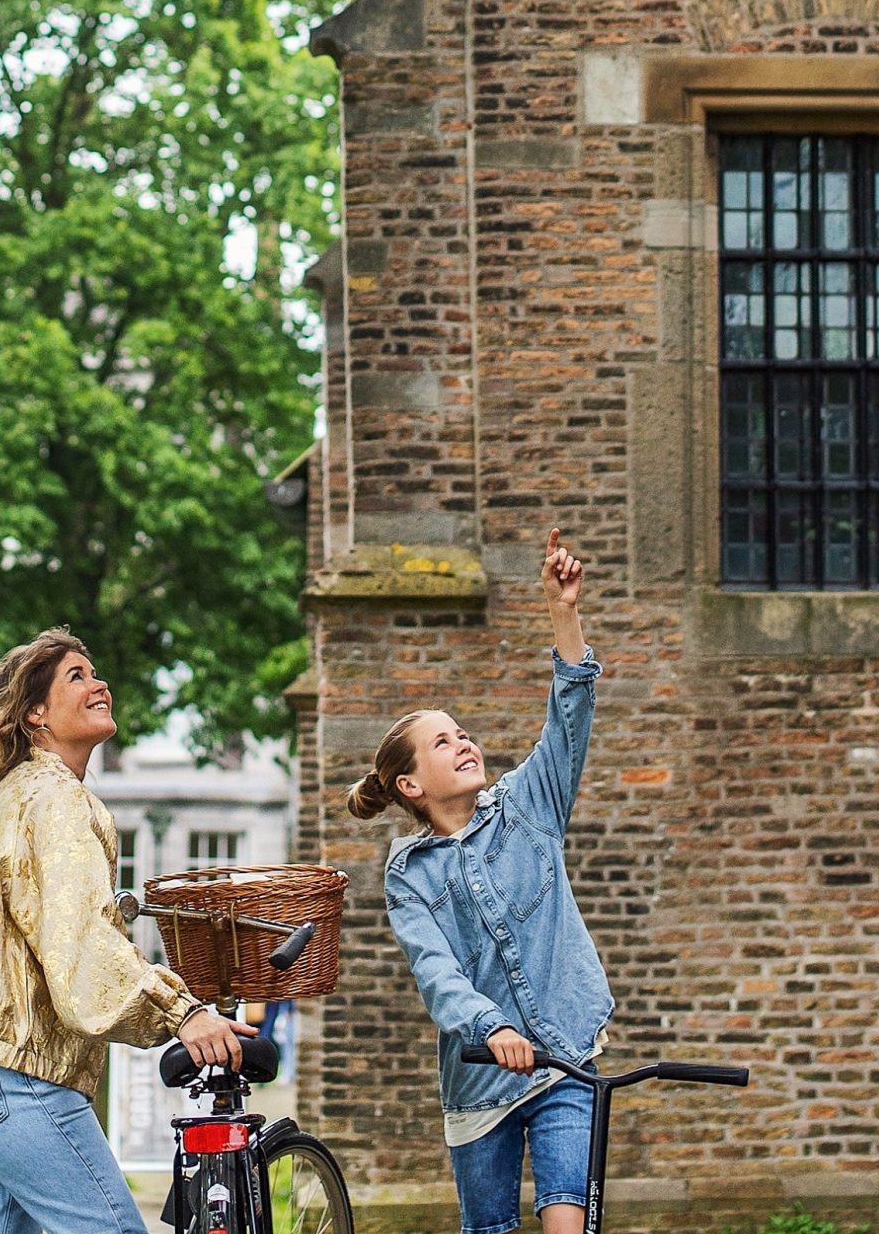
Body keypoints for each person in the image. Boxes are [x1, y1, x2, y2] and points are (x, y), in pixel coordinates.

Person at [0, 629, 253, 1234]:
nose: (100, 684)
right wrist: (183, 1013)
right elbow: (81, 939)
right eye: (77, 676)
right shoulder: (56, 800)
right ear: (35, 712)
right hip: (14, 1073)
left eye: (97, 673)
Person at [346, 529, 603, 1234]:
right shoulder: (409, 873)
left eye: (462, 733)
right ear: (410, 783)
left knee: (566, 1222)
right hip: (481, 1083)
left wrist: (563, 611)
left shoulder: (529, 806)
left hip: (565, 1061)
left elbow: (570, 718)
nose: (463, 743)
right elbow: (437, 972)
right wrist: (488, 1027)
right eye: (441, 742)